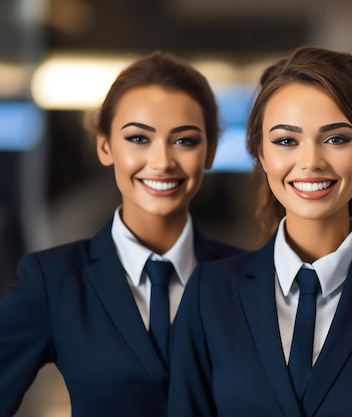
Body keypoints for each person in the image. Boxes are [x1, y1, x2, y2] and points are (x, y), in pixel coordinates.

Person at [167, 46, 352, 417]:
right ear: (261, 155)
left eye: (336, 139)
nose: (311, 161)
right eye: (286, 141)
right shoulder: (208, 292)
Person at [0, 51, 241, 417]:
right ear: (105, 146)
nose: (161, 161)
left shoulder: (251, 279)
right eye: (138, 139)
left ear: (209, 152)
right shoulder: (55, 280)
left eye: (185, 141)